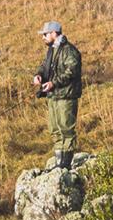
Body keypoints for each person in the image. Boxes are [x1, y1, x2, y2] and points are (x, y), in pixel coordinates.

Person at [32, 21, 82, 170]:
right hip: (53, 96)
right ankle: (59, 162)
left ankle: (65, 163)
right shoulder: (52, 50)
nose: (43, 37)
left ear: (54, 33)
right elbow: (44, 66)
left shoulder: (69, 51)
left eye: (45, 34)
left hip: (66, 96)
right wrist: (39, 75)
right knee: (54, 128)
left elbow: (71, 71)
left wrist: (54, 83)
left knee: (66, 128)